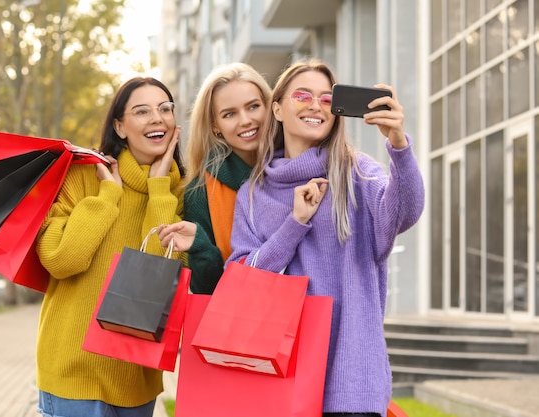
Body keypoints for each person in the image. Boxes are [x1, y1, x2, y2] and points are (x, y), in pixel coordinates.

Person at [226, 58, 425, 417]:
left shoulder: (358, 172)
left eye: (325, 99)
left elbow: (405, 212)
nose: (315, 105)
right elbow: (243, 278)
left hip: (351, 384)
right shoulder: (254, 193)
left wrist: (398, 144)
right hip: (277, 379)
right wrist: (295, 223)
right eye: (302, 95)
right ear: (278, 108)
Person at [34, 76, 186, 417]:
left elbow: (158, 280)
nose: (157, 118)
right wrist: (108, 197)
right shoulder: (83, 176)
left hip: (136, 377)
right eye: (142, 111)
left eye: (165, 109)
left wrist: (159, 188)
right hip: (73, 374)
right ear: (120, 126)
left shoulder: (180, 193)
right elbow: (61, 260)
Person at [156, 62, 272, 294]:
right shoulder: (202, 191)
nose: (245, 120)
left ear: (270, 107)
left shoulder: (299, 162)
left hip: (318, 312)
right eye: (229, 114)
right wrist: (201, 248)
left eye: (253, 107)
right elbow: (207, 291)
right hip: (251, 318)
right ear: (215, 126)